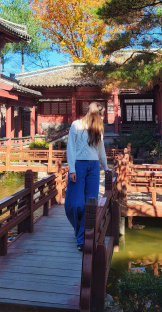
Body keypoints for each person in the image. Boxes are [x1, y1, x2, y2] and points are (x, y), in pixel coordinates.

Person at [65, 102, 111, 251]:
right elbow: (70, 148)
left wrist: (106, 167)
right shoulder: (76, 125)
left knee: (91, 202)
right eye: (102, 116)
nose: (103, 119)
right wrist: (72, 169)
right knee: (74, 204)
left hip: (94, 166)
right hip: (78, 165)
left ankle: (81, 239)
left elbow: (101, 150)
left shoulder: (98, 129)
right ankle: (79, 230)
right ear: (95, 114)